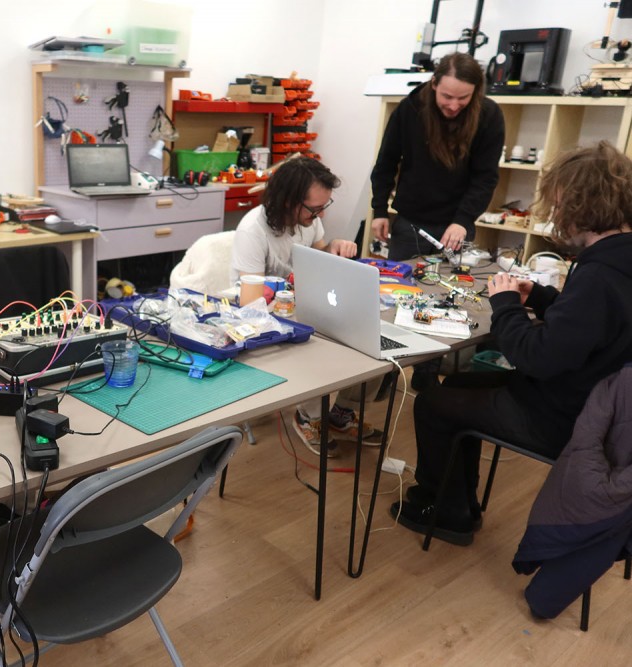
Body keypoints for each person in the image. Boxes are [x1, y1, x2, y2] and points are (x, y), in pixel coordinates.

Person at [390, 141, 632, 546]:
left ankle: (446, 512)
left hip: (567, 420)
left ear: (583, 205)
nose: (557, 215)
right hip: (600, 410)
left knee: (433, 403)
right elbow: (593, 327)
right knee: (458, 385)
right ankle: (461, 502)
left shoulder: (598, 276)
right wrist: (540, 296)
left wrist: (504, 304)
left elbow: (534, 357)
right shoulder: (617, 262)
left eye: (559, 206)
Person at [231, 155, 382, 456]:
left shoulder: (308, 222)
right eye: (314, 209)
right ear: (288, 201)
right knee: (319, 349)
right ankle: (307, 417)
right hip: (265, 322)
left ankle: (340, 413)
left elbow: (318, 256)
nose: (320, 215)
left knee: (372, 343)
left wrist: (333, 249)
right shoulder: (252, 230)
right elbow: (250, 303)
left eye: (324, 207)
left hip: (304, 309)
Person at [370, 52, 504, 261]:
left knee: (451, 281)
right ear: (434, 84)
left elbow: (485, 177)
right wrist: (379, 210)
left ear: (476, 91)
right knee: (400, 280)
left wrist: (463, 220)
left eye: (463, 98)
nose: (453, 105)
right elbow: (386, 162)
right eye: (447, 96)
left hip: (456, 227)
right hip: (410, 225)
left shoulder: (489, 115)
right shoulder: (410, 109)